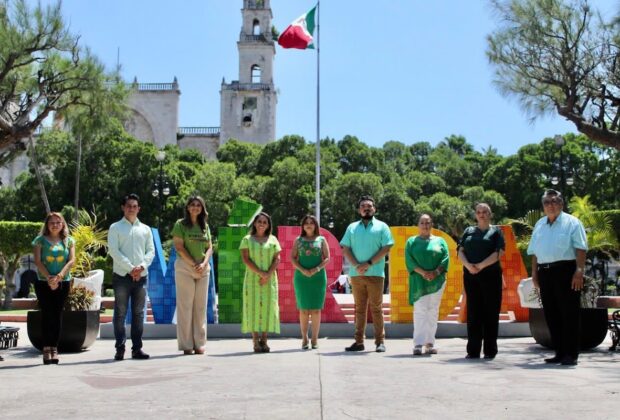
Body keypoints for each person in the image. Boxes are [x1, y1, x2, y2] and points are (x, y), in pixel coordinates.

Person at [527, 189, 587, 366]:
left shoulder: (572, 223)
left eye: (554, 202)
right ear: (543, 206)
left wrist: (579, 271)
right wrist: (534, 274)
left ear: (561, 204)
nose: (550, 205)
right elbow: (534, 252)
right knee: (552, 314)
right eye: (547, 202)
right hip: (545, 273)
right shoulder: (539, 225)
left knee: (569, 314)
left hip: (566, 271)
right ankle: (559, 352)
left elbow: (581, 249)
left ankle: (571, 354)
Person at [340, 195, 394, 352]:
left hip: (376, 273)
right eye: (363, 206)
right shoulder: (352, 227)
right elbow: (346, 248)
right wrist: (357, 265)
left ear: (374, 209)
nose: (366, 208)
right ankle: (358, 342)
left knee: (376, 308)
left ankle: (380, 342)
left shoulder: (382, 227)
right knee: (360, 309)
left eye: (369, 206)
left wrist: (368, 263)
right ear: (359, 210)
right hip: (356, 274)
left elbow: (386, 248)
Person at [108, 193, 155, 361]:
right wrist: (130, 268)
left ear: (139, 208)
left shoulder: (146, 229)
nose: (132, 209)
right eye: (129, 206)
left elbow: (151, 251)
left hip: (141, 277)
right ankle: (120, 347)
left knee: (138, 314)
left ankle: (137, 349)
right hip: (122, 276)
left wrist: (141, 267)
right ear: (123, 207)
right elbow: (114, 251)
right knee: (120, 313)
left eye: (135, 206)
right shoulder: (115, 227)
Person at [458, 203, 505, 360]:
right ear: (476, 215)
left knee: (491, 313)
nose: (481, 214)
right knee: (473, 312)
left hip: (491, 277)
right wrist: (468, 266)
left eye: (485, 212)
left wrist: (480, 265)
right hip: (471, 277)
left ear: (490, 214)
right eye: (479, 212)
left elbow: (499, 253)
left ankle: (490, 351)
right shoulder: (468, 231)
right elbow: (460, 251)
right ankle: (473, 350)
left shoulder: (496, 231)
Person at [32, 212, 75, 364]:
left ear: (63, 224)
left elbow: (71, 260)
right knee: (47, 315)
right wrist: (50, 278)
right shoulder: (39, 241)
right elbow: (37, 261)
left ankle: (54, 349)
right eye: (52, 222)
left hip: (63, 282)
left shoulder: (68, 241)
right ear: (47, 224)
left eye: (58, 222)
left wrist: (59, 277)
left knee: (57, 315)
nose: (55, 225)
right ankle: (46, 349)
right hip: (43, 282)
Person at [172, 196, 213, 355]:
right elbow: (179, 247)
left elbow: (209, 248)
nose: (195, 207)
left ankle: (199, 343)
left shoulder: (205, 226)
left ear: (202, 208)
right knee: (185, 306)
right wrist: (193, 264)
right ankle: (186, 344)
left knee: (200, 307)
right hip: (185, 267)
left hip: (203, 269)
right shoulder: (180, 224)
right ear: (188, 207)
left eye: (199, 205)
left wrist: (203, 264)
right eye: (193, 205)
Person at [405, 214, 449, 356]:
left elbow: (445, 259)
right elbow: (409, 261)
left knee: (433, 311)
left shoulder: (440, 241)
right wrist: (424, 273)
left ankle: (430, 344)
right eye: (422, 222)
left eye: (428, 222)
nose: (425, 225)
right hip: (419, 281)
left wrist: (435, 273)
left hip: (437, 281)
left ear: (432, 224)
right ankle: (418, 344)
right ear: (418, 225)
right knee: (420, 311)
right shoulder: (411, 242)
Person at [239, 212, 281, 353]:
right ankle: (255, 341)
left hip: (270, 280)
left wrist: (267, 274)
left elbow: (277, 258)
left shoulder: (273, 239)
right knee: (252, 307)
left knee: (268, 308)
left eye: (265, 222)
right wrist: (260, 273)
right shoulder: (247, 239)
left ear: (268, 225)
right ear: (255, 223)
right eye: (259, 221)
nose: (262, 224)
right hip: (252, 280)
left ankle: (264, 340)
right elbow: (245, 259)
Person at [291, 215, 330, 350]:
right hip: (301, 278)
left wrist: (316, 269)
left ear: (315, 226)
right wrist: (303, 270)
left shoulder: (322, 239)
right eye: (306, 223)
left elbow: (327, 258)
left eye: (311, 223)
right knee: (303, 310)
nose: (308, 225)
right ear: (302, 226)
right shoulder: (298, 240)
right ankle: (304, 338)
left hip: (317, 278)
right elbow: (293, 258)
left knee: (316, 310)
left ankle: (314, 339)